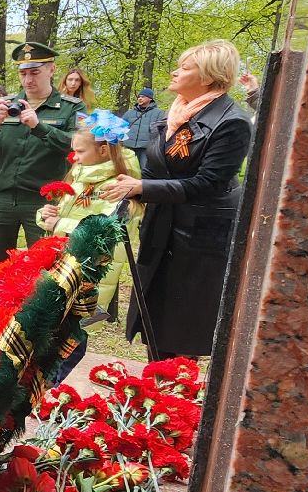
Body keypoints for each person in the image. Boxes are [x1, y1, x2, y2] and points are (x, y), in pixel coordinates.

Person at [96, 39, 254, 360]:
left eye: (184, 67)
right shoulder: (174, 115)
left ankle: (174, 386)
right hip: (161, 229)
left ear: (208, 76)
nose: (174, 72)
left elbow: (208, 183)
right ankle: (156, 384)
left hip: (198, 240)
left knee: (181, 331)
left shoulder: (231, 123)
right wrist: (131, 192)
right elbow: (157, 168)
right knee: (156, 325)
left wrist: (143, 188)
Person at [0, 40, 79, 263]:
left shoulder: (71, 107)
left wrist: (39, 127)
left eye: (35, 73)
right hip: (1, 197)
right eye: (23, 73)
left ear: (52, 70)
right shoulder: (6, 105)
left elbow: (76, 147)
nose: (28, 80)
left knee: (44, 266)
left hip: (43, 201)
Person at [36, 109, 136, 327]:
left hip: (89, 271)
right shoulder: (81, 176)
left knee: (73, 331)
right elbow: (66, 212)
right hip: (65, 264)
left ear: (103, 150)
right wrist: (47, 215)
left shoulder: (117, 185)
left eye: (80, 151)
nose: (75, 157)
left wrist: (60, 224)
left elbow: (107, 230)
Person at [122, 88, 165, 175]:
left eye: (143, 97)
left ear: (150, 99)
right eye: (139, 97)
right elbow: (121, 127)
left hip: (146, 148)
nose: (140, 98)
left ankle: (143, 183)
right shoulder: (129, 113)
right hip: (129, 146)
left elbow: (161, 130)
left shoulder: (158, 113)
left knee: (144, 170)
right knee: (127, 169)